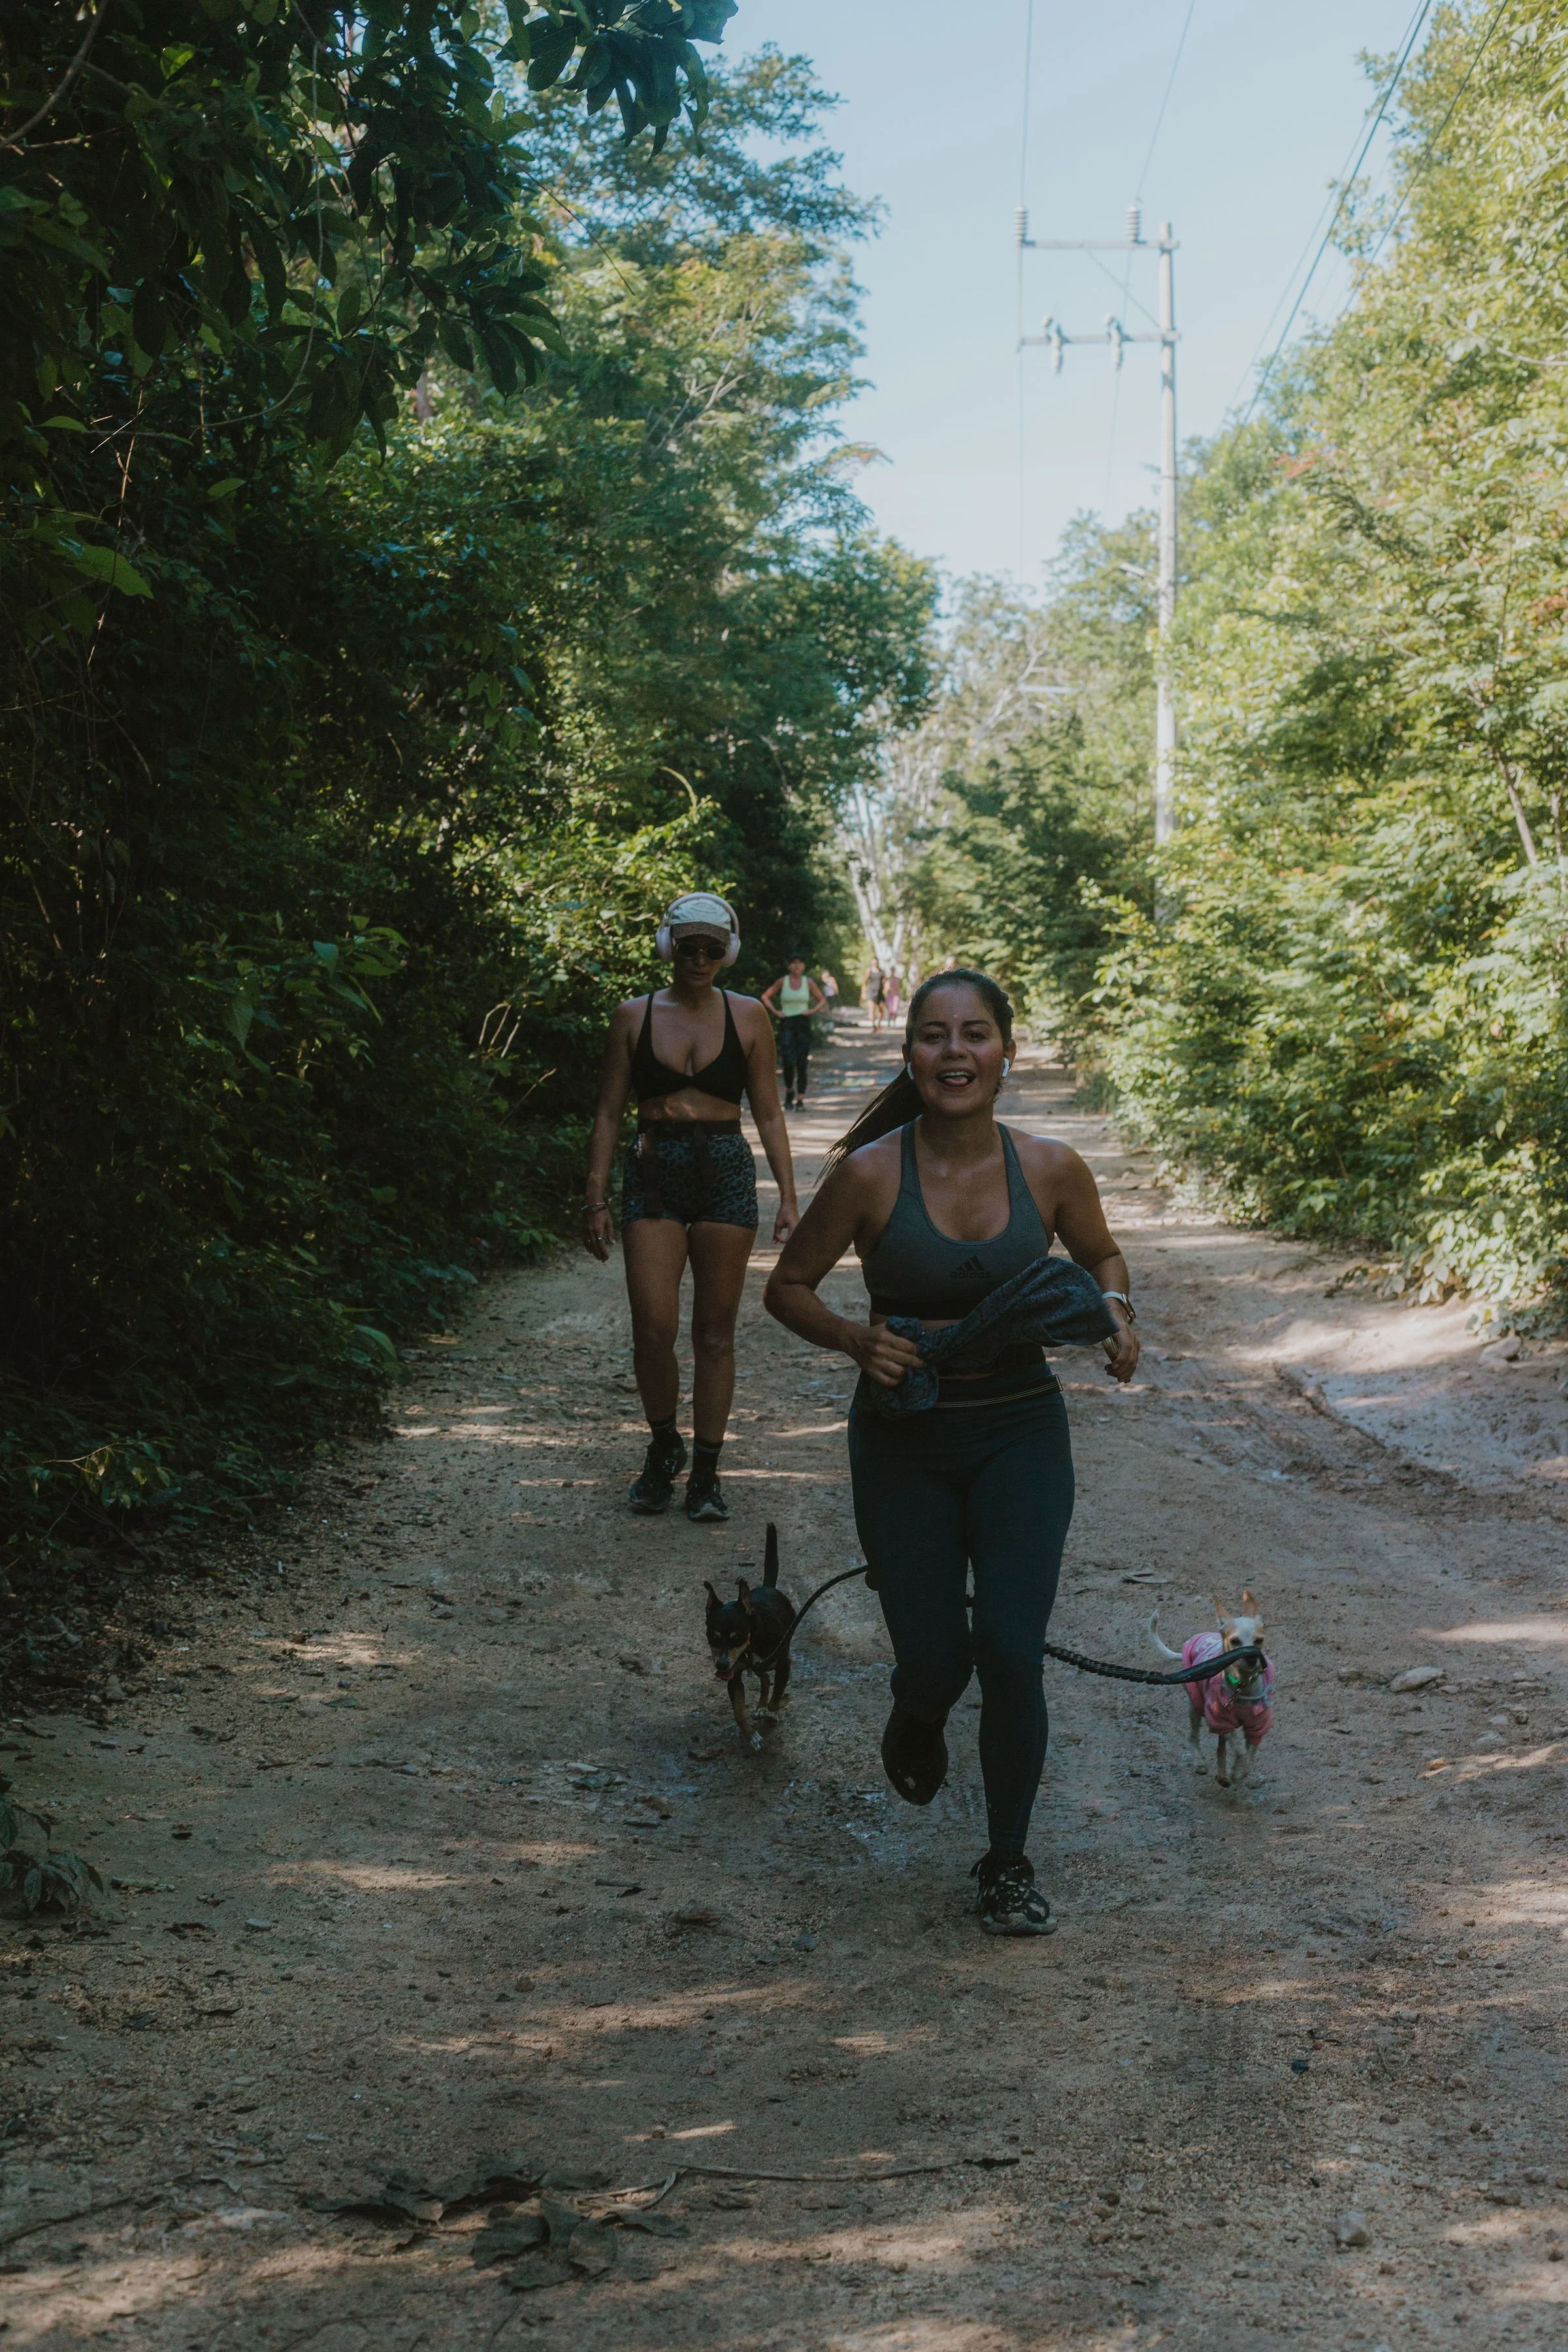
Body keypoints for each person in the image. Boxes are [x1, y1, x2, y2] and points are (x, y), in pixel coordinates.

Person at [763, 968, 1139, 1935]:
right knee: (937, 1665)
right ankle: (917, 1707)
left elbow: (1101, 1258)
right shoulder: (869, 1174)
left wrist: (1120, 1313)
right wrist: (855, 1338)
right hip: (905, 1442)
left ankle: (1007, 1862)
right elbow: (788, 1287)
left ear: (1007, 1051)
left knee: (1011, 1652)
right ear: (909, 1053)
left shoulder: (1053, 1168)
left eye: (975, 1035)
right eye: (935, 1036)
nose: (955, 1053)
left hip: (1021, 1428)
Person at [583, 892, 800, 1523]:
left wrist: (789, 1196)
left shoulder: (750, 1017)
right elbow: (606, 1111)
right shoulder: (632, 1016)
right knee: (653, 1328)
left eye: (712, 948)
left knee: (714, 1333)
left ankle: (706, 1471)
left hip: (726, 1171)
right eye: (688, 947)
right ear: (667, 947)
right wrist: (594, 1196)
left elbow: (768, 1111)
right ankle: (663, 1448)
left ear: (727, 951)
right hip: (653, 1168)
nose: (699, 959)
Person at [761, 955, 827, 1110]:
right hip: (787, 1023)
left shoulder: (808, 983)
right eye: (794, 963)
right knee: (788, 1061)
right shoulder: (782, 982)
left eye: (800, 963)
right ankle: (790, 1090)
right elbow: (765, 996)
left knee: (802, 1061)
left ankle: (801, 1098)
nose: (797, 966)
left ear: (803, 966)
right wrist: (776, 1012)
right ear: (789, 966)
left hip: (803, 1023)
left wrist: (811, 1011)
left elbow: (822, 1000)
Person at [862, 960, 887, 1032]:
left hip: (880, 993)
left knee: (882, 1010)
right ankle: (874, 1026)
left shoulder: (881, 972)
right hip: (871, 992)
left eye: (876, 963)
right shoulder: (869, 971)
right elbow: (865, 982)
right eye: (873, 963)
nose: (875, 964)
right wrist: (864, 993)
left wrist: (885, 986)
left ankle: (879, 1024)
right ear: (871, 963)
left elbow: (886, 980)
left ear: (878, 963)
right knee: (872, 1010)